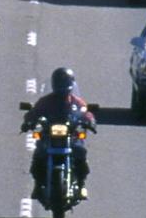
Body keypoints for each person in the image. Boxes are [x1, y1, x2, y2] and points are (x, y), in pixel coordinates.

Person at [21, 67, 96, 200]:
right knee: (38, 156)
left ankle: (81, 184)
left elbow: (85, 112)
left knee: (80, 152)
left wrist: (89, 121)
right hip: (49, 137)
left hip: (70, 137)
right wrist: (29, 121)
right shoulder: (45, 101)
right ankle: (38, 185)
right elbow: (34, 112)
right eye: (60, 82)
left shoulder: (76, 102)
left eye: (65, 82)